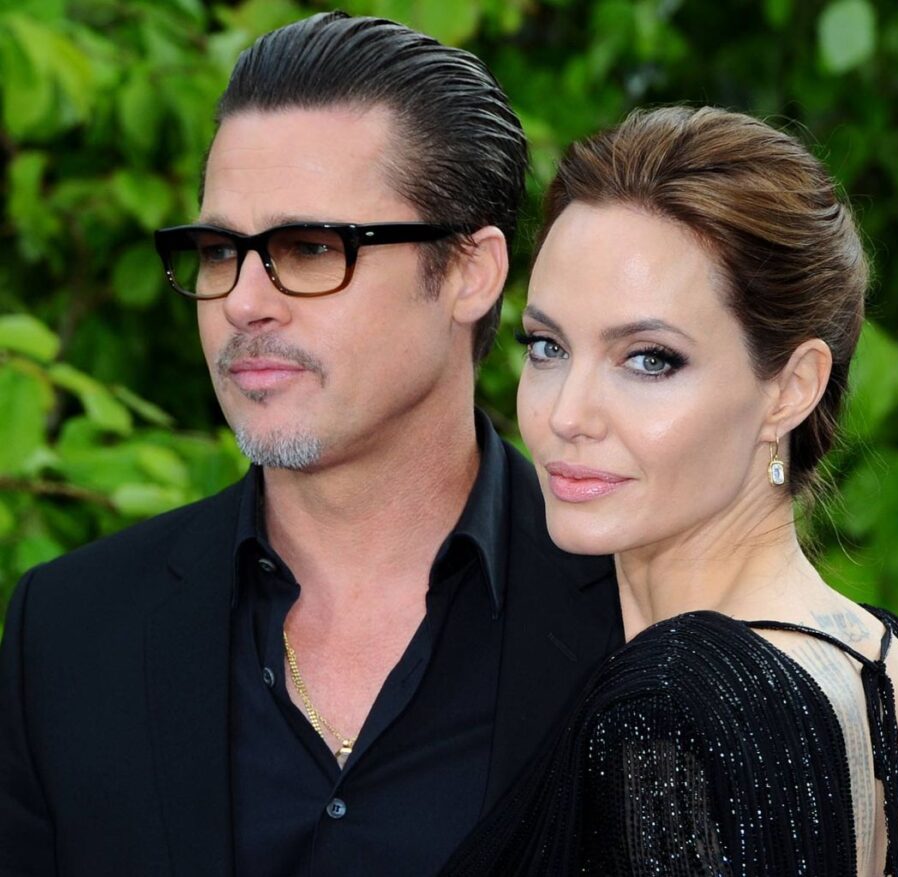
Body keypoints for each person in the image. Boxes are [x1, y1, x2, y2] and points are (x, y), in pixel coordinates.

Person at [0, 13, 623, 876]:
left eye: (308, 247)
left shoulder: (639, 616)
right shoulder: (69, 632)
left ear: (469, 272)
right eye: (220, 250)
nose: (243, 301)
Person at [442, 106, 898, 876]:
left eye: (649, 359)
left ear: (792, 387)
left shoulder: (667, 709)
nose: (565, 414)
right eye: (547, 346)